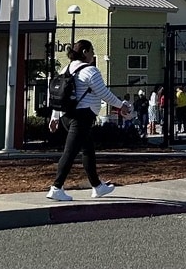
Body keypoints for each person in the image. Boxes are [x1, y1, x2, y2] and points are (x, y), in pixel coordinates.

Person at [46, 40, 131, 202]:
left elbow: (60, 95)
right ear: (85, 52)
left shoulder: (66, 68)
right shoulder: (91, 71)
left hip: (66, 116)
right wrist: (121, 105)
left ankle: (97, 187)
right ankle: (56, 188)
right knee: (70, 152)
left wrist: (55, 117)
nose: (93, 54)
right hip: (82, 117)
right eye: (92, 50)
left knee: (88, 150)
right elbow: (104, 93)